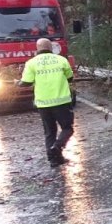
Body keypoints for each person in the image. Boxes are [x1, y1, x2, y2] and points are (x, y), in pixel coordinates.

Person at [20, 37, 75, 165]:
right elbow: (70, 78)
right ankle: (57, 146)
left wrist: (18, 83)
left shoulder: (31, 63)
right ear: (51, 48)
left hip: (43, 104)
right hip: (61, 102)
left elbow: (26, 82)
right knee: (67, 129)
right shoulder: (61, 60)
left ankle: (54, 160)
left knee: (50, 132)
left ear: (37, 49)